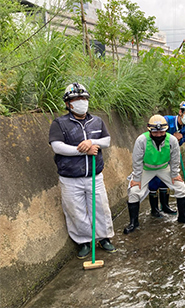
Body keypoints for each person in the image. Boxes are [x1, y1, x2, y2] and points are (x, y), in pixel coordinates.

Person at [49, 82, 116, 259]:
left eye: (83, 98)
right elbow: (57, 147)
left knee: (100, 207)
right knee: (75, 210)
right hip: (70, 178)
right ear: (68, 104)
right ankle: (84, 242)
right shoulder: (60, 123)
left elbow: (107, 141)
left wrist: (92, 142)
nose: (81, 101)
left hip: (94, 175)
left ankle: (104, 238)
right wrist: (84, 149)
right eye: (76, 99)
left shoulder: (97, 121)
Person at [123, 114, 185, 234]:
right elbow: (137, 160)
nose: (158, 135)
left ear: (166, 130)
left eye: (161, 132)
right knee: (134, 191)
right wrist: (136, 178)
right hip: (146, 168)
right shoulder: (141, 140)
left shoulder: (172, 140)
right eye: (155, 132)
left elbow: (175, 159)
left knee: (181, 188)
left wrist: (175, 174)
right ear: (149, 130)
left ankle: (183, 217)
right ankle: (133, 223)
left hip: (163, 167)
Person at [148, 100, 185, 217]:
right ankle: (154, 209)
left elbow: (181, 142)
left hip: (169, 158)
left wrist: (178, 140)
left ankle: (165, 206)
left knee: (165, 181)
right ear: (180, 112)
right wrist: (170, 137)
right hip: (155, 156)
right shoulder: (165, 120)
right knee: (154, 182)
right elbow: (153, 135)